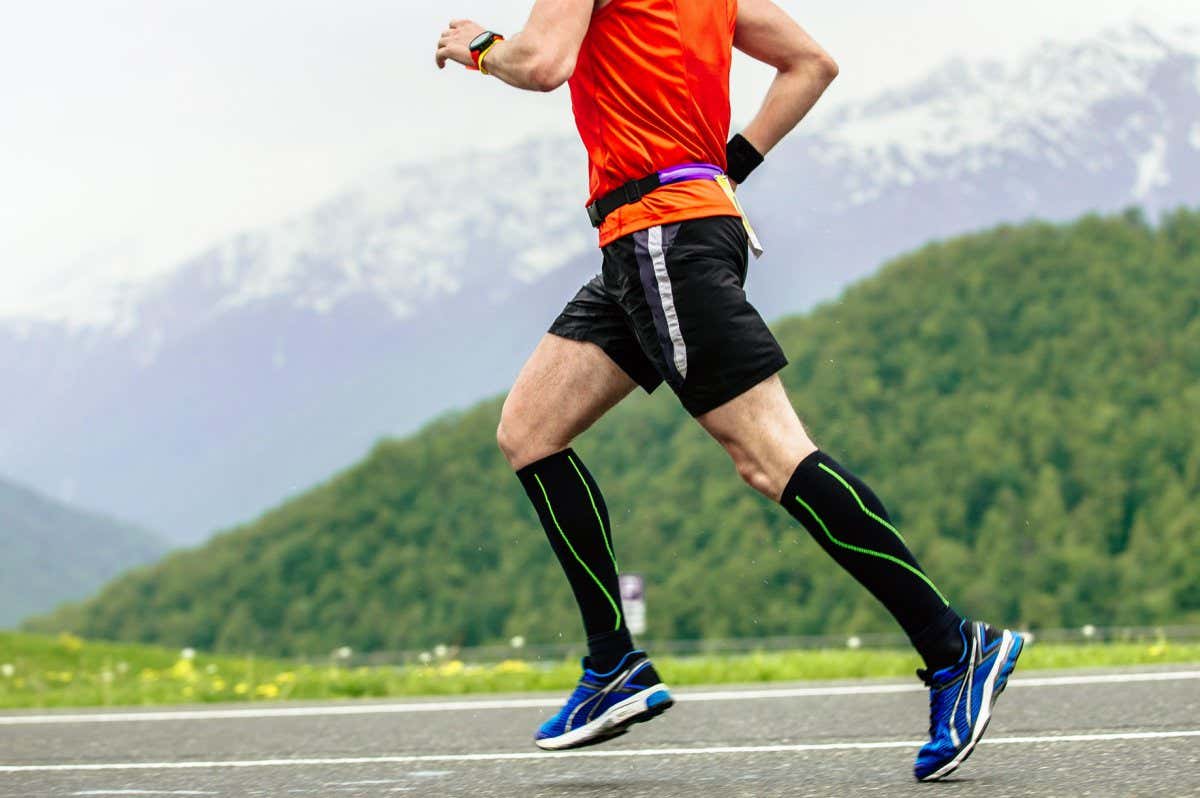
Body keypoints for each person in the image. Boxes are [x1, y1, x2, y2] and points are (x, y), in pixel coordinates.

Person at [436, 0, 1023, 781]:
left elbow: (542, 63)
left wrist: (478, 46)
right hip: (659, 236)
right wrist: (725, 167)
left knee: (772, 457)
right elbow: (813, 64)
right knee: (530, 430)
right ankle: (613, 664)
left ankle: (955, 647)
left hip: (662, 239)